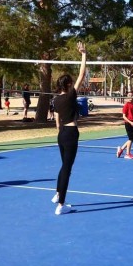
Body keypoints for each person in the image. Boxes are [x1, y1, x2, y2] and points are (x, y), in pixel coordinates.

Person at [50, 42, 87, 215]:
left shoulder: (56, 100)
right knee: (67, 168)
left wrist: (61, 132)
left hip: (62, 134)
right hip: (71, 133)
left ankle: (58, 194)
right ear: (68, 85)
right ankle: (61, 205)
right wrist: (83, 54)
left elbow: (57, 120)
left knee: (64, 166)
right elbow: (82, 73)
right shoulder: (71, 95)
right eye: (71, 83)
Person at [116, 91, 133, 159]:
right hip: (128, 123)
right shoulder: (126, 105)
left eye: (131, 95)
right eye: (129, 95)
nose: (130, 97)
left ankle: (121, 149)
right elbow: (124, 116)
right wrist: (130, 122)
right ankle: (127, 154)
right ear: (127, 97)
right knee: (130, 139)